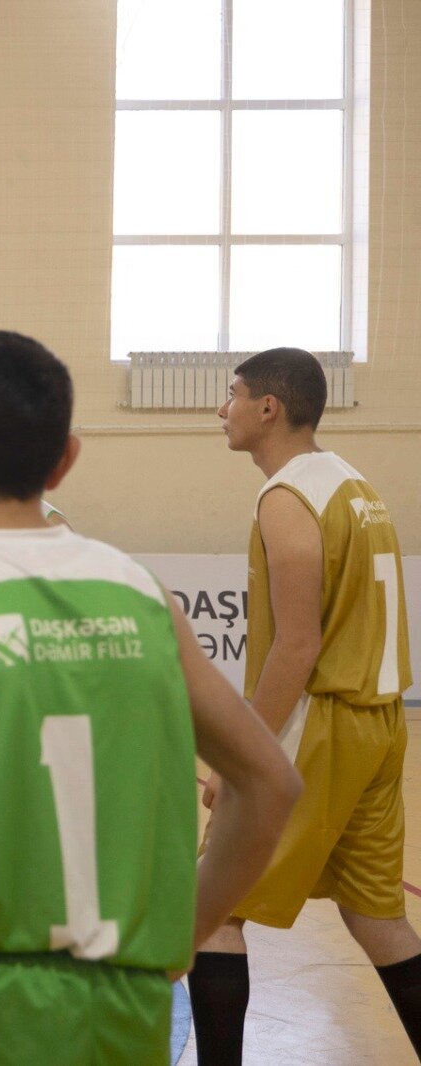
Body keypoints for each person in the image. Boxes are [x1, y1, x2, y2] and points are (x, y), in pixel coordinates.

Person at [0, 331, 300, 1064]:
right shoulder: (144, 596)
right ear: (65, 460)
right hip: (128, 1004)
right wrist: (181, 932)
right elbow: (272, 782)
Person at [190, 347, 419, 1062]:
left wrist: (242, 755)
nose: (221, 409)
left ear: (268, 408)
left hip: (319, 724)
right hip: (380, 724)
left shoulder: (287, 497)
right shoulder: (353, 483)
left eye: (232, 394)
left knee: (211, 912)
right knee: (378, 919)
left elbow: (297, 646)